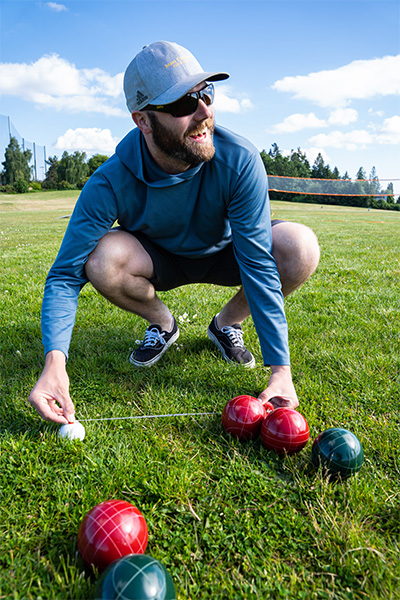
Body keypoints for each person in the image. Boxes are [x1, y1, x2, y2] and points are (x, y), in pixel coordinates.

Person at [28, 41, 320, 425]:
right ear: (143, 121)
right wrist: (54, 363)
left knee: (300, 246)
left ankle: (226, 324)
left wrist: (280, 370)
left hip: (225, 253)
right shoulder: (109, 181)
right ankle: (164, 324)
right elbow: (65, 275)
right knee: (100, 259)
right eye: (183, 104)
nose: (205, 112)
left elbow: (258, 264)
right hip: (159, 260)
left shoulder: (240, 159)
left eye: (206, 94)